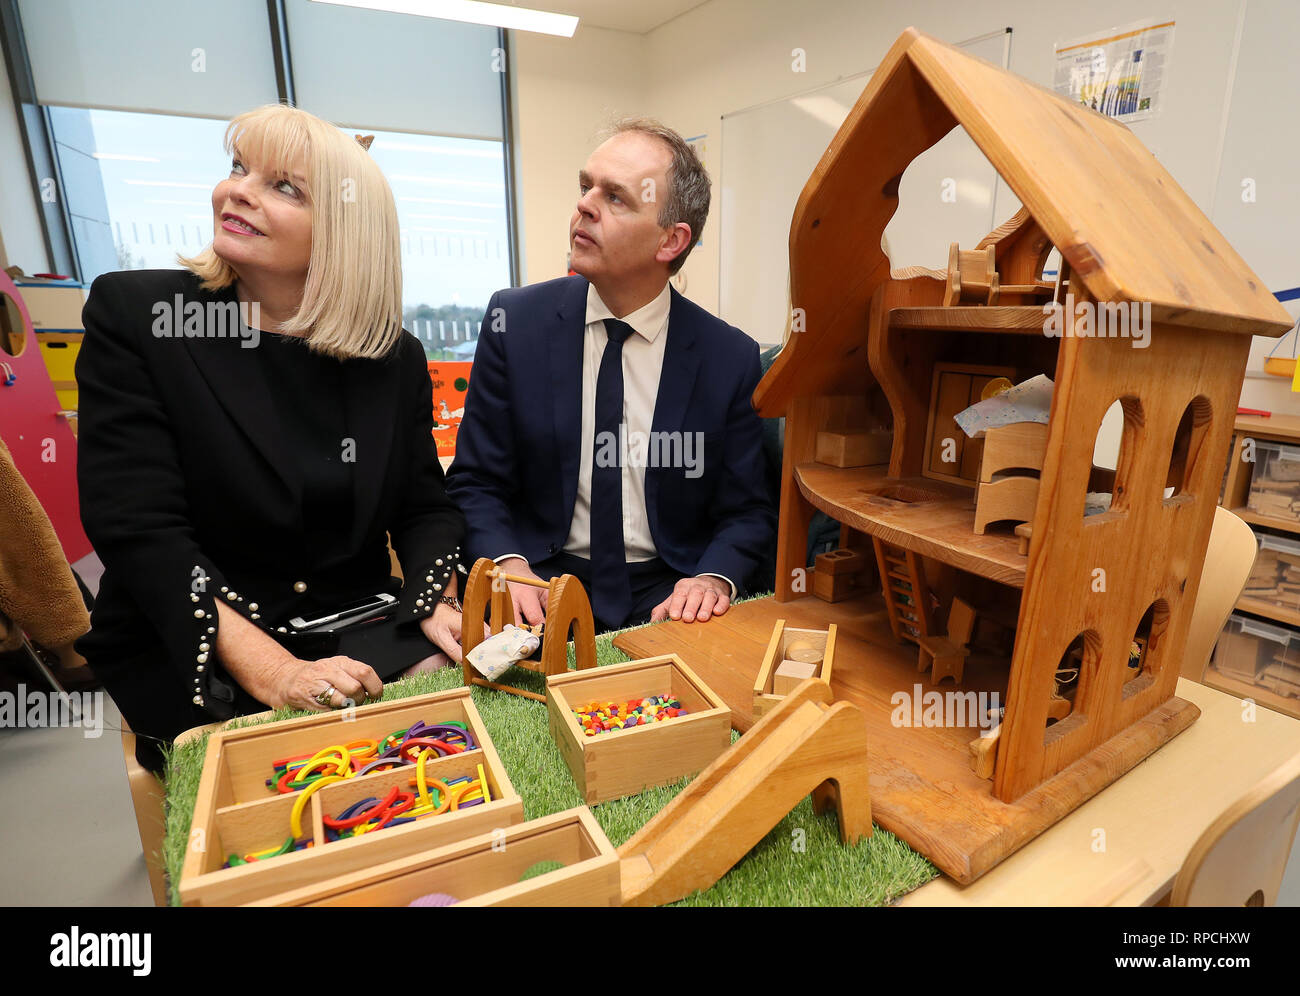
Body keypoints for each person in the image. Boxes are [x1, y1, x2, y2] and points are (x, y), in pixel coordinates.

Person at [75, 104, 468, 773]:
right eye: (238, 168)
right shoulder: (139, 316)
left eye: (283, 186)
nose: (238, 191)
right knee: (299, 771)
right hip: (197, 635)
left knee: (452, 725)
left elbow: (423, 506)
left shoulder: (391, 355)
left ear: (345, 233)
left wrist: (435, 599)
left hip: (355, 617)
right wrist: (277, 671)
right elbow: (141, 531)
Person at [447, 118, 775, 634]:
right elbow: (475, 481)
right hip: (540, 581)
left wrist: (713, 578)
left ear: (671, 241)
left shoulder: (728, 355)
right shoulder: (515, 324)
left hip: (669, 590)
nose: (584, 205)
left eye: (615, 198)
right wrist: (506, 563)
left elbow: (748, 510)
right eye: (586, 187)